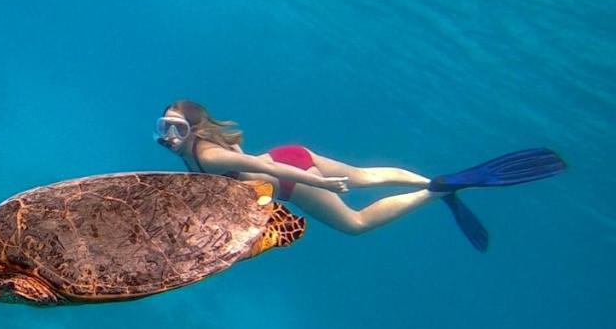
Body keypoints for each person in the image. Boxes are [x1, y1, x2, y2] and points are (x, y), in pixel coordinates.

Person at [154, 99, 566, 250]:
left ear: (194, 131)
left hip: (292, 176)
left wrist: (316, 182)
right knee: (364, 176)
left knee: (356, 223)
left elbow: (262, 168)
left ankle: (437, 191)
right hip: (292, 154)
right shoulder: (202, 146)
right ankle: (428, 180)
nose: (170, 136)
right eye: (165, 127)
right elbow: (250, 157)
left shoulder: (207, 156)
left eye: (178, 128)